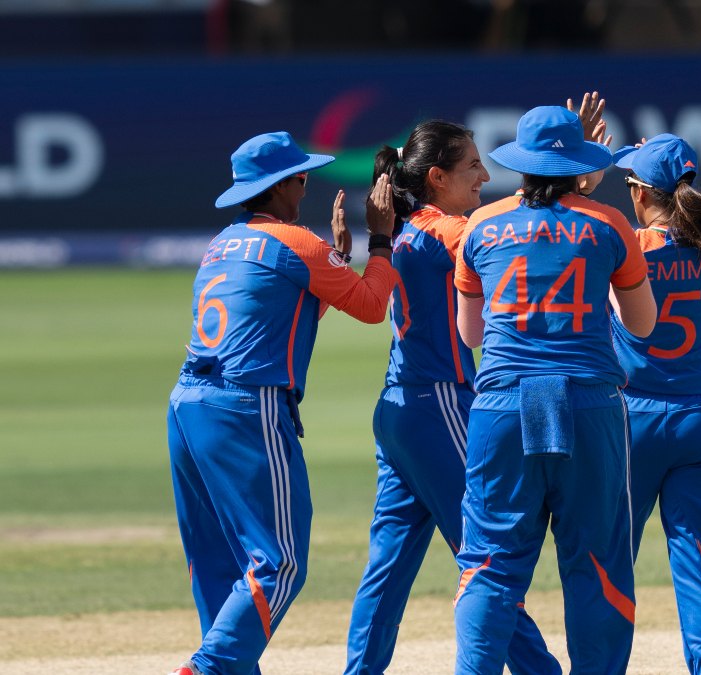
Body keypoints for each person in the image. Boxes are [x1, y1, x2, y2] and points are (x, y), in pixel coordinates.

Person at [166, 131, 397, 675]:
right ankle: (209, 669)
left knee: (220, 561)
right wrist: (380, 242)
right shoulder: (297, 242)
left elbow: (280, 320)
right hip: (247, 407)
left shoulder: (222, 242)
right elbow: (370, 306)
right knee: (280, 562)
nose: (307, 184)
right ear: (283, 186)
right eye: (301, 177)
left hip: (187, 406)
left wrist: (336, 258)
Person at [343, 122, 559, 675]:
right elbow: (510, 234)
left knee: (388, 568)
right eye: (473, 167)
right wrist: (561, 177)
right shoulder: (445, 230)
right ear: (437, 177)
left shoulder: (412, 228)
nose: (486, 175)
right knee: (489, 558)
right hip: (441, 405)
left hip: (401, 406)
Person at [452, 105, 657, 675]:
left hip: (502, 404)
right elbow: (641, 325)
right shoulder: (608, 222)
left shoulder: (481, 225)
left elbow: (470, 334)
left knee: (489, 564)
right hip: (587, 402)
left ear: (521, 164)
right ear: (579, 166)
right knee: (596, 562)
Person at [609, 133, 701, 674]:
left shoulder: (627, 246)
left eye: (629, 185)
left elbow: (581, 231)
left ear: (643, 192)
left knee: (608, 561)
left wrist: (581, 167)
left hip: (631, 422)